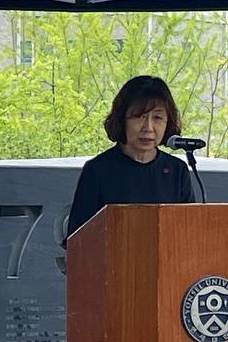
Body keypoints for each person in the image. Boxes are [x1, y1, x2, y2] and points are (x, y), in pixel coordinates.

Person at [65, 75, 195, 240]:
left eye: (157, 118)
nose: (148, 128)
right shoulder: (98, 170)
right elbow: (78, 238)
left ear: (168, 122)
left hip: (167, 263)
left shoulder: (177, 170)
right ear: (122, 119)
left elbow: (188, 231)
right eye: (139, 116)